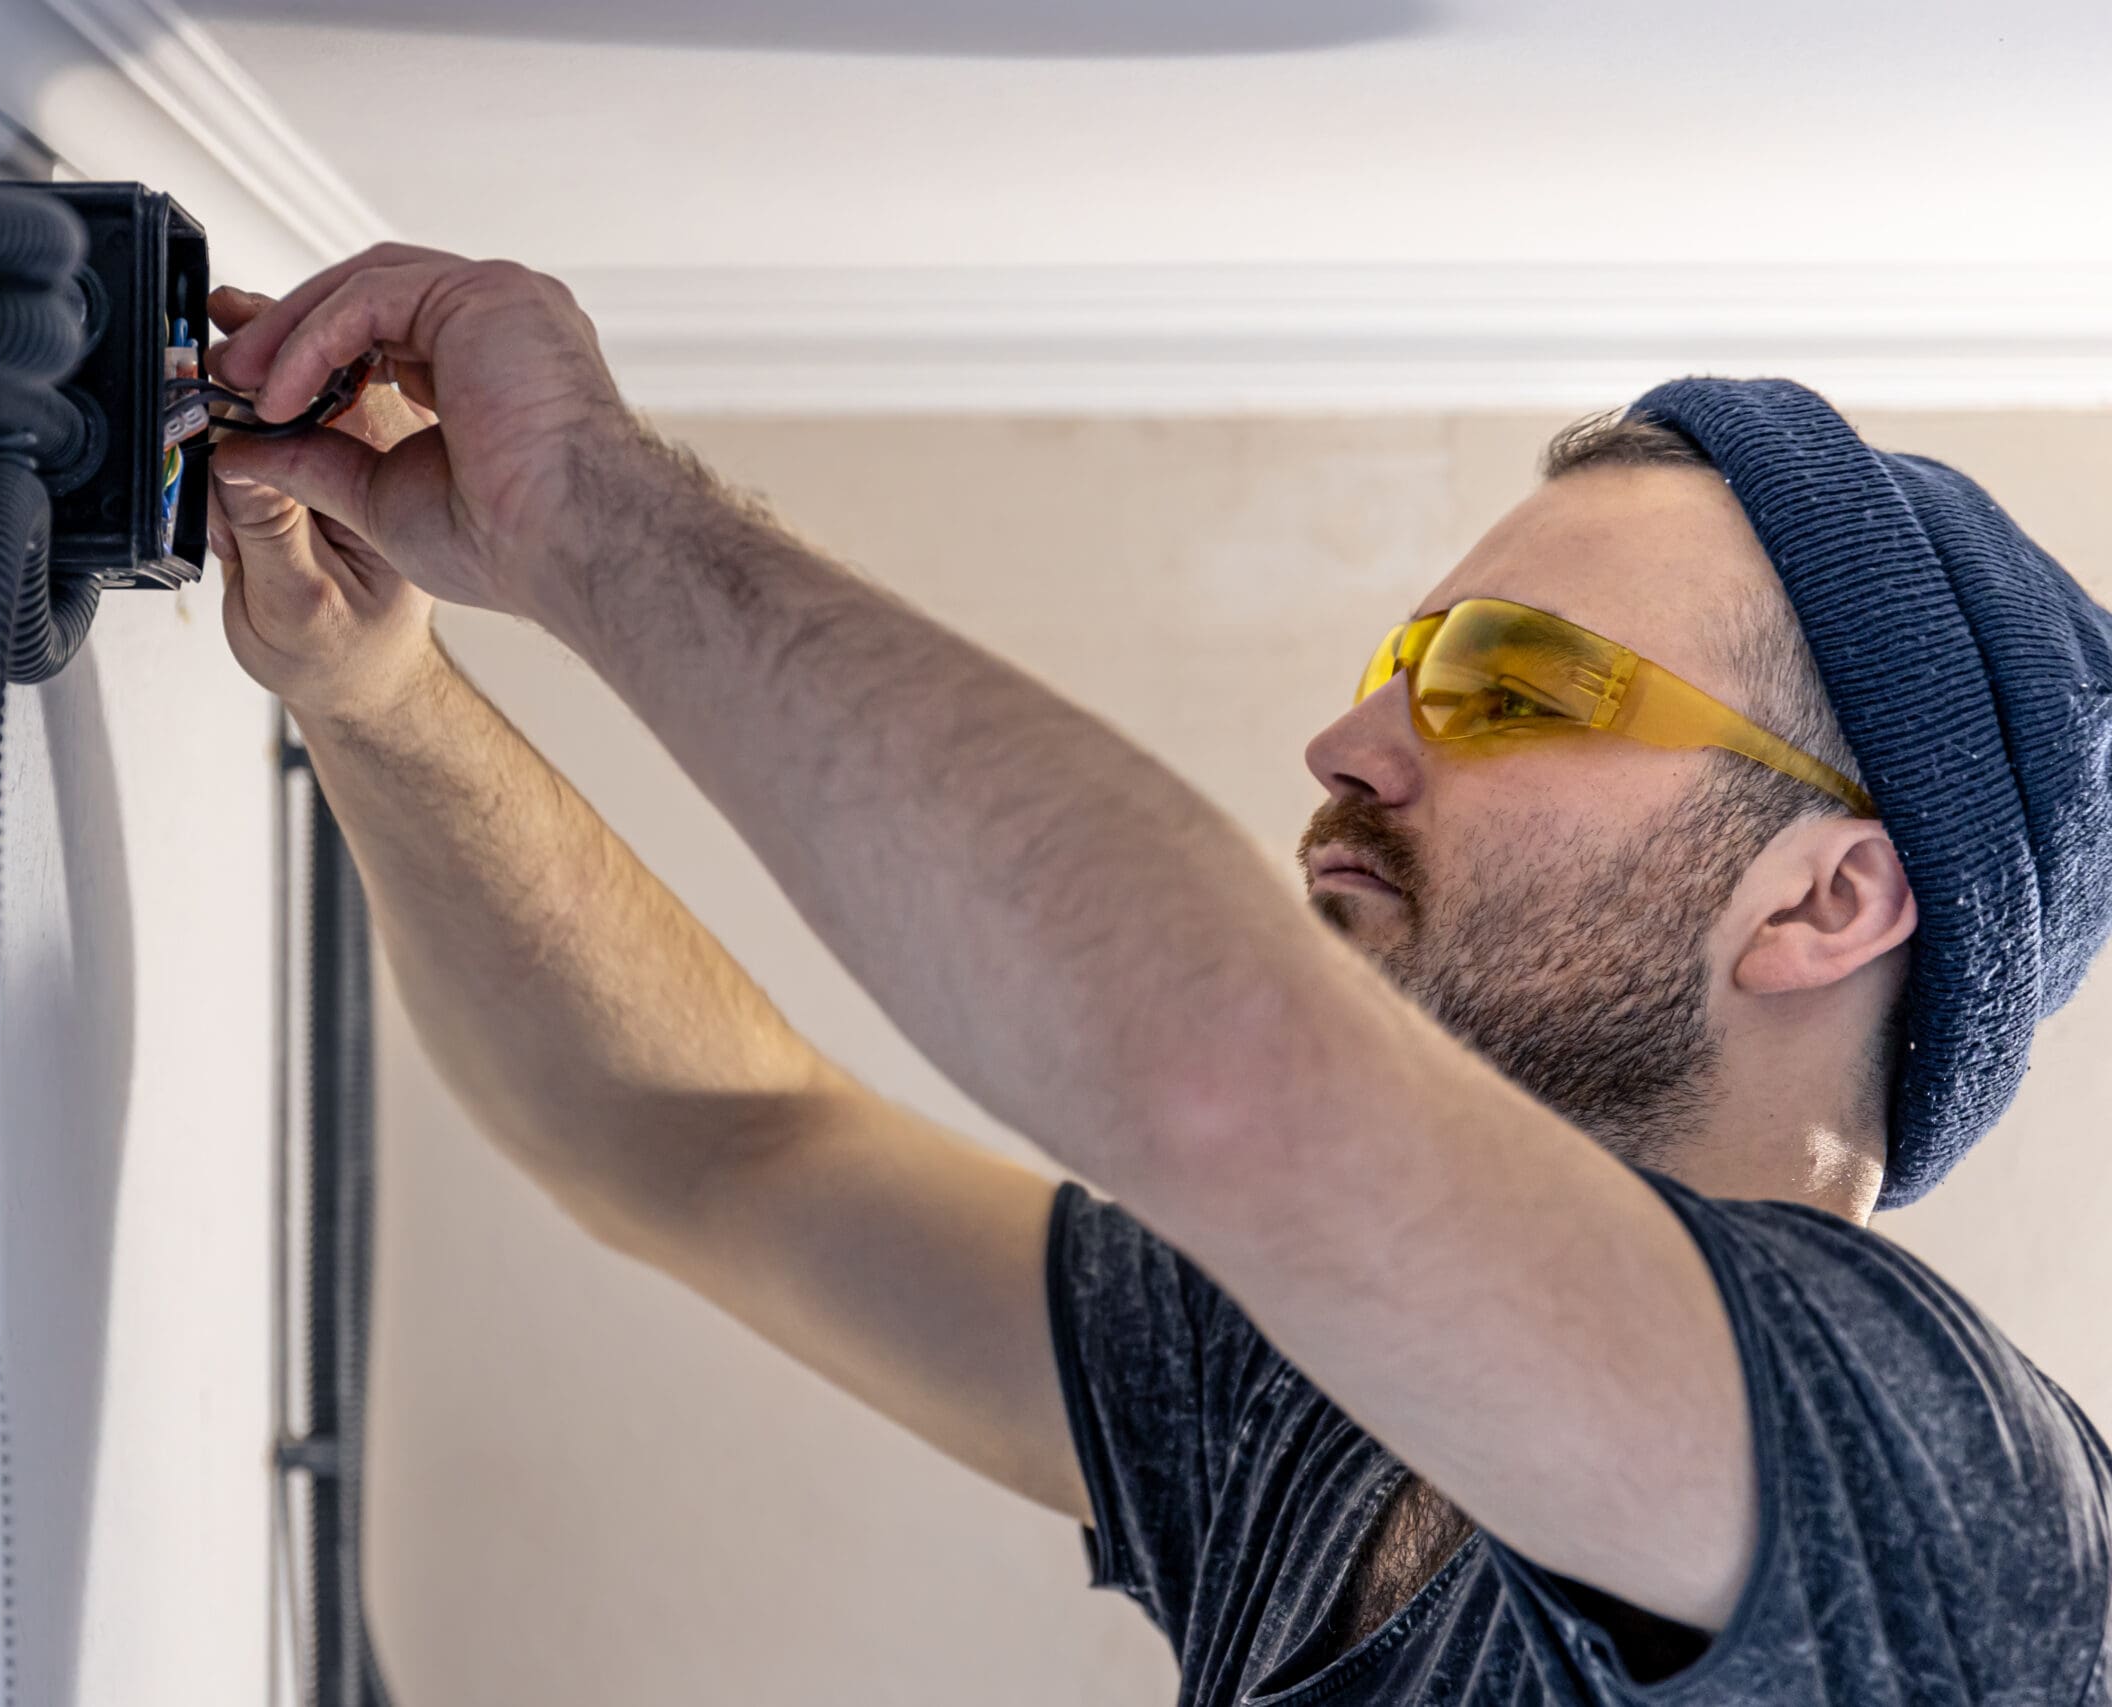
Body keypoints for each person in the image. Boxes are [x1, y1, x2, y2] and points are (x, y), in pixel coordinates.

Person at [201, 247, 2112, 1704]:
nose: (1354, 739)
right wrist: (372, 688)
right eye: (1398, 659)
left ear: (1821, 905)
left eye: (1510, 686)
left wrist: (584, 505)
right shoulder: (1318, 1408)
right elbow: (708, 1148)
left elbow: (1218, 1078)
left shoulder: (1931, 1480)